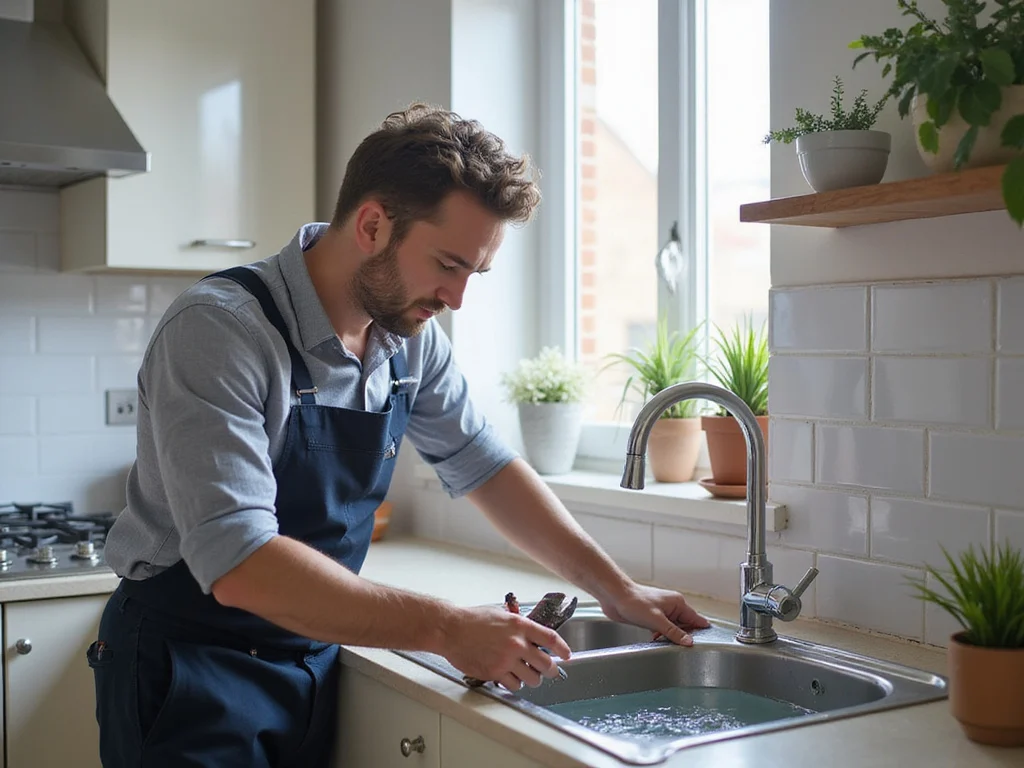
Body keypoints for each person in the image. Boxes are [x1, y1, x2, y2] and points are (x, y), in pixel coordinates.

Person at [88, 102, 710, 768]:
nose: (458, 298)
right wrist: (446, 628)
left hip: (311, 657)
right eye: (448, 264)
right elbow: (239, 564)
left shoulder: (409, 343)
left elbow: (487, 466)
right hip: (188, 670)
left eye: (474, 272)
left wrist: (619, 592)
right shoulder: (220, 332)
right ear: (373, 224)